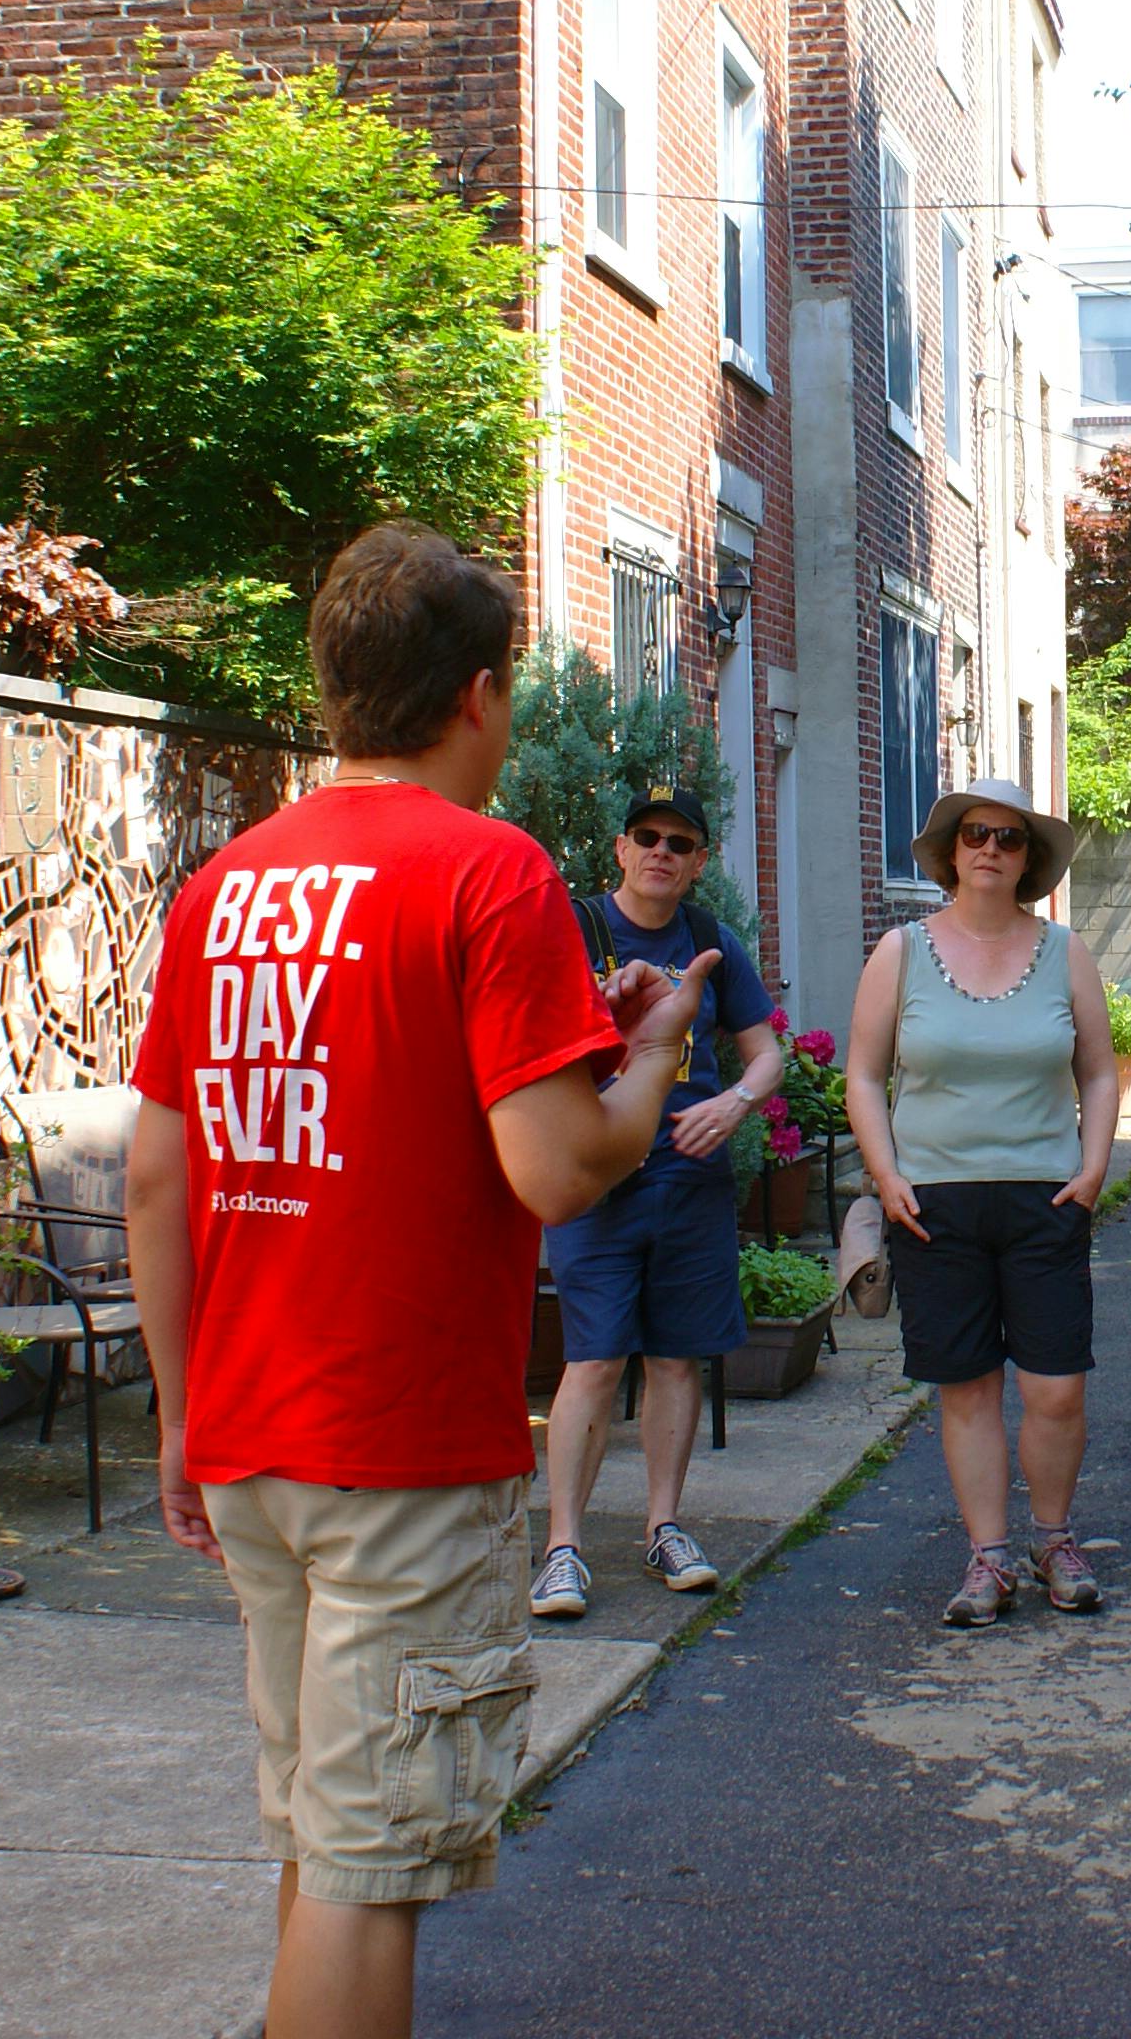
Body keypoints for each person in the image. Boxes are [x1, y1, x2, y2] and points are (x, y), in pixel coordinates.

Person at [125, 522, 718, 2039]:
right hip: (399, 1449)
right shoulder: (492, 872)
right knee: (370, 1871)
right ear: (477, 694)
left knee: (326, 1841)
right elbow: (559, 1169)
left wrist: (179, 1420)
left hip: (252, 1436)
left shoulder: (228, 885)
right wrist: (648, 1064)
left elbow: (157, 1171)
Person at [844, 777, 1124, 1627]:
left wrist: (1095, 1165)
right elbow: (861, 1072)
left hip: (1047, 1196)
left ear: (1028, 857)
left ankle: (1054, 1540)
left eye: (1008, 838)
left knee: (1055, 1389)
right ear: (953, 853)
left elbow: (1101, 1070)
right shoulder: (901, 951)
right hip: (934, 1204)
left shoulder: (1065, 951)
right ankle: (988, 1557)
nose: (992, 851)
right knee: (965, 1389)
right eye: (977, 836)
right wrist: (887, 1173)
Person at [530, 781, 784, 1615]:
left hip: (688, 1175)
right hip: (601, 1174)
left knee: (677, 1355)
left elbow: (766, 1053)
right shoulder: (576, 930)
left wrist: (735, 1102)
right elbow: (527, 1040)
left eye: (680, 843)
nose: (661, 853)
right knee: (594, 1359)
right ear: (620, 848)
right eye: (647, 836)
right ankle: (563, 1545)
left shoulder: (711, 940)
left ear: (700, 861)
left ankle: (663, 1527)